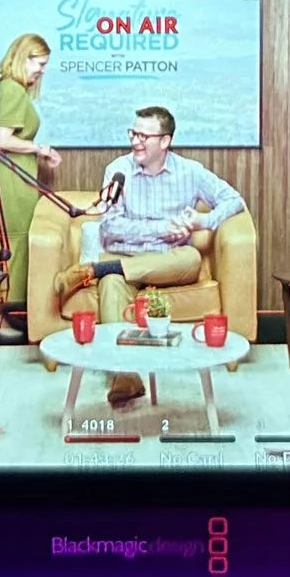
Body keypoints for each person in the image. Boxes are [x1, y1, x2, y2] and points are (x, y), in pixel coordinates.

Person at [51, 104, 246, 406]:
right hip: (126, 261)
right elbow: (112, 227)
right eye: (133, 133)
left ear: (165, 141)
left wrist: (202, 221)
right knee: (112, 283)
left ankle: (95, 269)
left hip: (171, 264)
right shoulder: (118, 171)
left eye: (144, 135)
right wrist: (162, 228)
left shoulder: (190, 172)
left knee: (191, 258)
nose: (135, 141)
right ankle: (126, 376)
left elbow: (233, 200)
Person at [0, 32, 63, 299]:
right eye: (39, 64)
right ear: (23, 58)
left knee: (4, 239)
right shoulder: (13, 91)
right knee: (9, 240)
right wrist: (38, 148)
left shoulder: (6, 87)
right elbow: (3, 139)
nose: (42, 71)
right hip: (8, 178)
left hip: (9, 174)